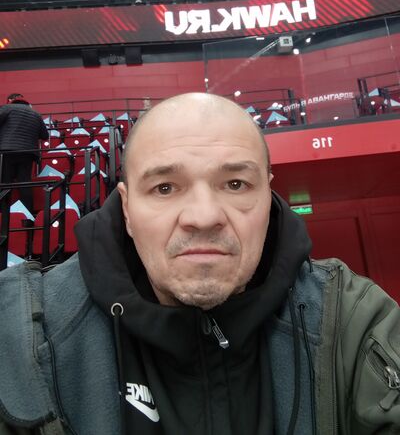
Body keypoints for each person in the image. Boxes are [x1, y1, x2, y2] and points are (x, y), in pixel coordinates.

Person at [0, 92, 399, 435]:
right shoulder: (20, 333)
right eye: (165, 188)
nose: (204, 217)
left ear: (268, 196)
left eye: (236, 184)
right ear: (127, 210)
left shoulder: (353, 320)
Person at [0, 93, 49, 212]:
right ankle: (27, 213)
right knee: (25, 183)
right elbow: (45, 135)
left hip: (7, 150)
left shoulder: (6, 108)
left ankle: (4, 213)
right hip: (28, 152)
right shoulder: (36, 114)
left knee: (5, 183)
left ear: (11, 101)